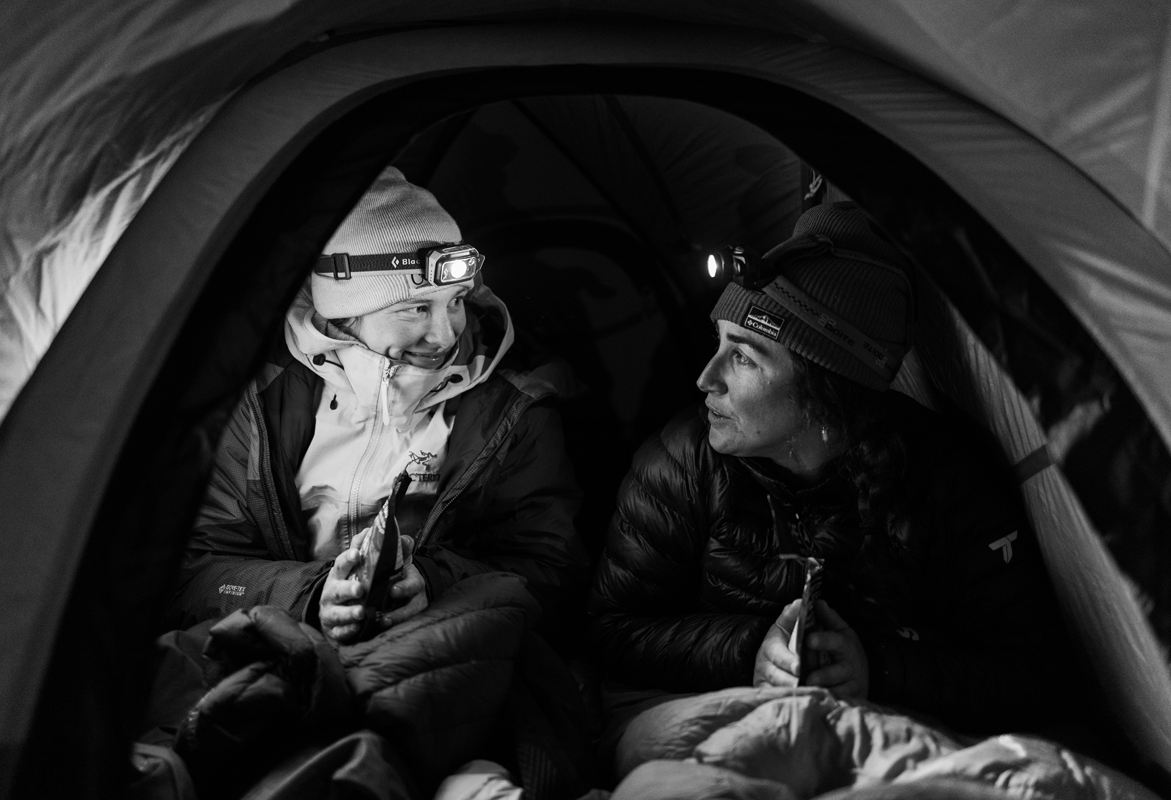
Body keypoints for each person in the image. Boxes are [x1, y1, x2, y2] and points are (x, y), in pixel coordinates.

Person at [587, 202, 1078, 739]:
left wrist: (879, 670)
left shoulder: (945, 483)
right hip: (727, 718)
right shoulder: (682, 460)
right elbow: (611, 630)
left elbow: (1034, 676)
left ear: (825, 393)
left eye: (743, 357)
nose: (706, 378)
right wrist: (747, 651)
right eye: (718, 344)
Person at [167, 166, 588, 645]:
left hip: (437, 651)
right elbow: (193, 572)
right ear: (346, 312)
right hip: (275, 649)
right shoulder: (255, 403)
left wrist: (434, 583)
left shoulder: (514, 411)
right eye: (415, 308)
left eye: (455, 301)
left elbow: (553, 572)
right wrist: (310, 597)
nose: (445, 334)